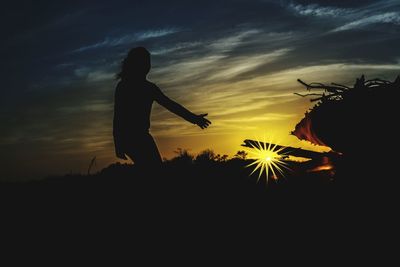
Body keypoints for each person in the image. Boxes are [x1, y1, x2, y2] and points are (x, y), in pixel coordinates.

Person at [113, 47, 211, 168]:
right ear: (136, 64)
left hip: (139, 137)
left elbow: (171, 105)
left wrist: (194, 119)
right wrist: (118, 143)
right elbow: (118, 117)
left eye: (148, 62)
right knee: (155, 171)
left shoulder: (147, 88)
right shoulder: (126, 86)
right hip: (134, 138)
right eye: (144, 62)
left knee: (152, 171)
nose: (147, 65)